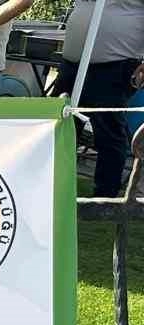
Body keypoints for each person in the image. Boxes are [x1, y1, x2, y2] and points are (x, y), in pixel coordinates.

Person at [52, 0, 144, 197]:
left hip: (115, 66)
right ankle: (52, 189)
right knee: (59, 126)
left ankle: (104, 198)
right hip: (72, 64)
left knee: (108, 133)